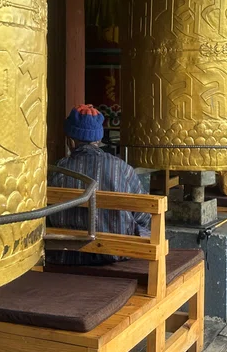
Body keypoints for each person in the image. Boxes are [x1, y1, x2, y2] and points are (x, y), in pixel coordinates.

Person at [46, 105, 150, 265]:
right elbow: (144, 215)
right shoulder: (121, 168)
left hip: (66, 257)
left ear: (70, 141)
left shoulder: (57, 170)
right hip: (115, 255)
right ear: (99, 140)